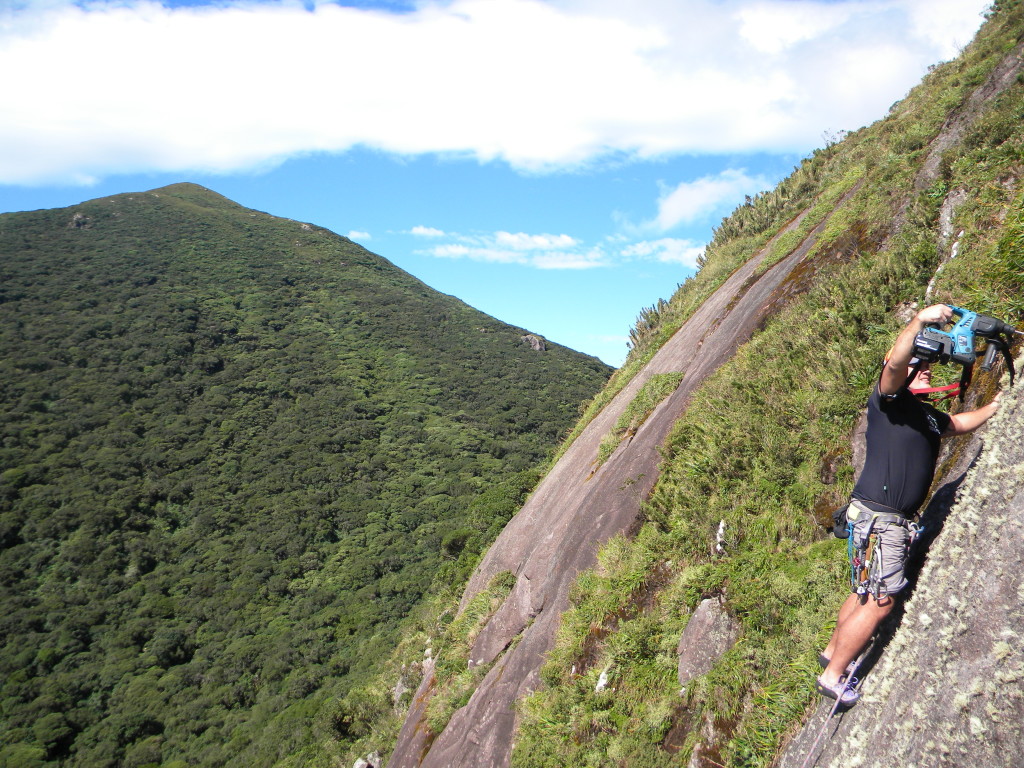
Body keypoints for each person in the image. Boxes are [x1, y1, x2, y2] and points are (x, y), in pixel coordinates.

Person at [816, 304, 1002, 705]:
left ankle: (833, 652)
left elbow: (963, 423)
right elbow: (896, 362)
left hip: (878, 516)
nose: (927, 372)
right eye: (922, 367)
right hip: (882, 518)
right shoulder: (890, 401)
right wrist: (918, 322)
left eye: (928, 369)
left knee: (864, 591)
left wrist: (1003, 403)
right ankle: (834, 676)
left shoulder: (929, 417)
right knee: (881, 604)